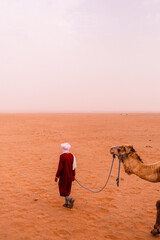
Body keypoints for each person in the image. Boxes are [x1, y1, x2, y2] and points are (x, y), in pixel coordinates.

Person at [55, 143, 77, 208]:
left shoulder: (62, 156)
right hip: (70, 175)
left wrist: (57, 176)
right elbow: (73, 167)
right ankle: (67, 203)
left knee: (63, 188)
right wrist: (74, 175)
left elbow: (60, 167)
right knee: (67, 188)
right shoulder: (72, 156)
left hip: (64, 175)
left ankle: (70, 199)